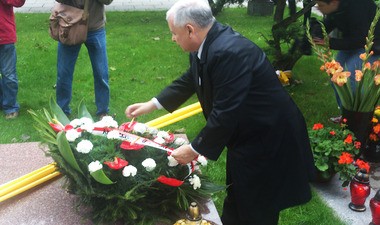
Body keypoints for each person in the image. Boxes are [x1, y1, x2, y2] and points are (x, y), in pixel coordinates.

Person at [125, 0, 315, 224]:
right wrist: (152, 104)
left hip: (269, 138)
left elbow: (226, 110)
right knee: (239, 194)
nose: (172, 39)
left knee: (258, 206)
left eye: (174, 33)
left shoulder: (229, 52)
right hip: (247, 135)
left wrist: (195, 148)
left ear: (189, 30)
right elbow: (190, 79)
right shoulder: (206, 43)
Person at [313, 0, 380, 123]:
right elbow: (330, 22)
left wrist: (330, 42)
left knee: (351, 78)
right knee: (335, 75)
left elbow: (361, 39)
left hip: (370, 45)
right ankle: (345, 115)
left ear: (333, 2)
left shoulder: (356, 7)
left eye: (321, 5)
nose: (318, 8)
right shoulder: (339, 7)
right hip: (352, 43)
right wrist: (317, 32)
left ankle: (359, 119)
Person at [55, 0, 112, 118]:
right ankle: (62, 111)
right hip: (70, 26)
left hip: (95, 28)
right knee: (64, 73)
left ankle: (103, 111)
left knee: (101, 72)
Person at [0, 0, 25, 119]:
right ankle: (3, 100)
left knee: (8, 75)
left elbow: (18, 2)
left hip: (4, 37)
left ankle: (10, 107)